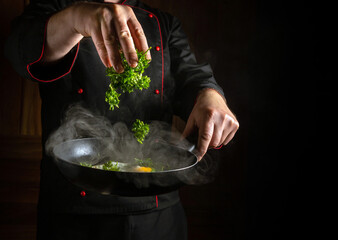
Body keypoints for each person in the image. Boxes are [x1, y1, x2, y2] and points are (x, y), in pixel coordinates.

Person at [5, 0, 239, 239]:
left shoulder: (164, 24)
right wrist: (76, 19)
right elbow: (19, 50)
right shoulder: (54, 8)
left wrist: (209, 94)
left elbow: (191, 76)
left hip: (157, 215)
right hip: (74, 214)